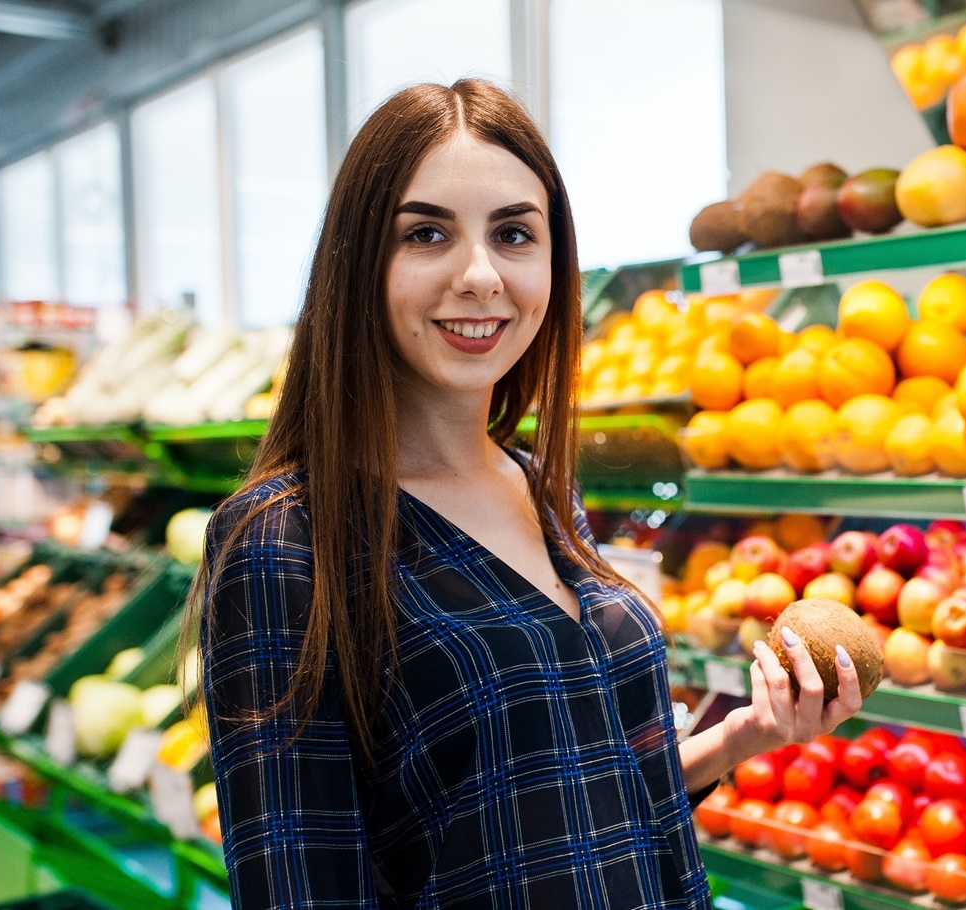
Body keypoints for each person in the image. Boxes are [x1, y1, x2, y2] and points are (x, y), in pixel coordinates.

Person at [193, 78, 864, 910]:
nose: (480, 275)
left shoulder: (541, 491)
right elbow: (299, 886)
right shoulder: (285, 541)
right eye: (427, 233)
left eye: (513, 233)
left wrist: (736, 740)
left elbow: (560, 809)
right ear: (357, 260)